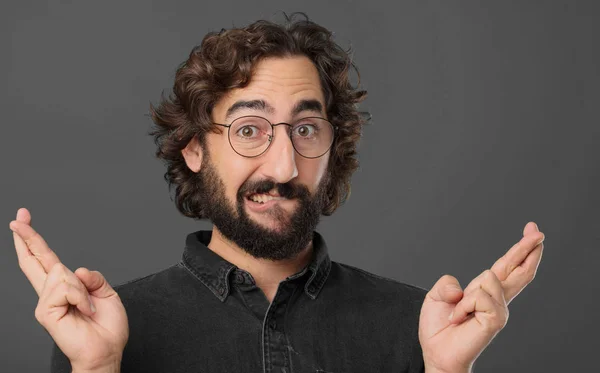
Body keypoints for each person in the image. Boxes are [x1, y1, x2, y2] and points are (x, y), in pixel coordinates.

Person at [10, 14, 545, 373]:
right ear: (194, 148)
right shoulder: (106, 332)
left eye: (306, 130)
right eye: (249, 130)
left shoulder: (418, 327)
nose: (285, 165)